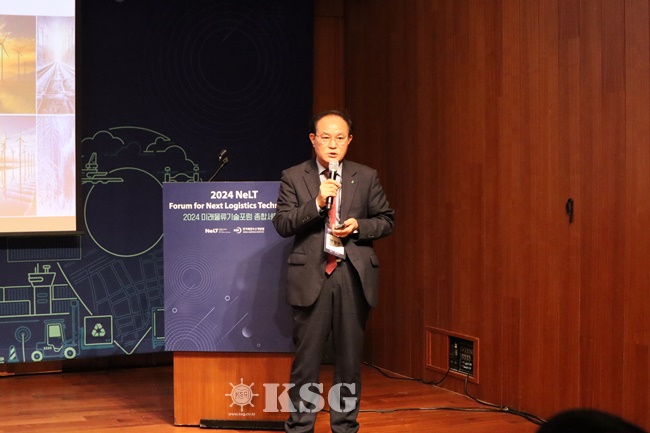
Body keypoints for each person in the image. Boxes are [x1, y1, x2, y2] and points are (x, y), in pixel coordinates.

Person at [273, 110, 395, 433]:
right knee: (306, 361)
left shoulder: (366, 176)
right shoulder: (294, 176)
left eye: (340, 138)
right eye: (325, 137)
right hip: (311, 276)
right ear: (313, 140)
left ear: (349, 141)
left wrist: (359, 226)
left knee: (349, 362)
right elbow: (282, 223)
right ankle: (300, 427)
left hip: (352, 275)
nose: (332, 144)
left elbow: (386, 220)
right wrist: (316, 203)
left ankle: (344, 426)